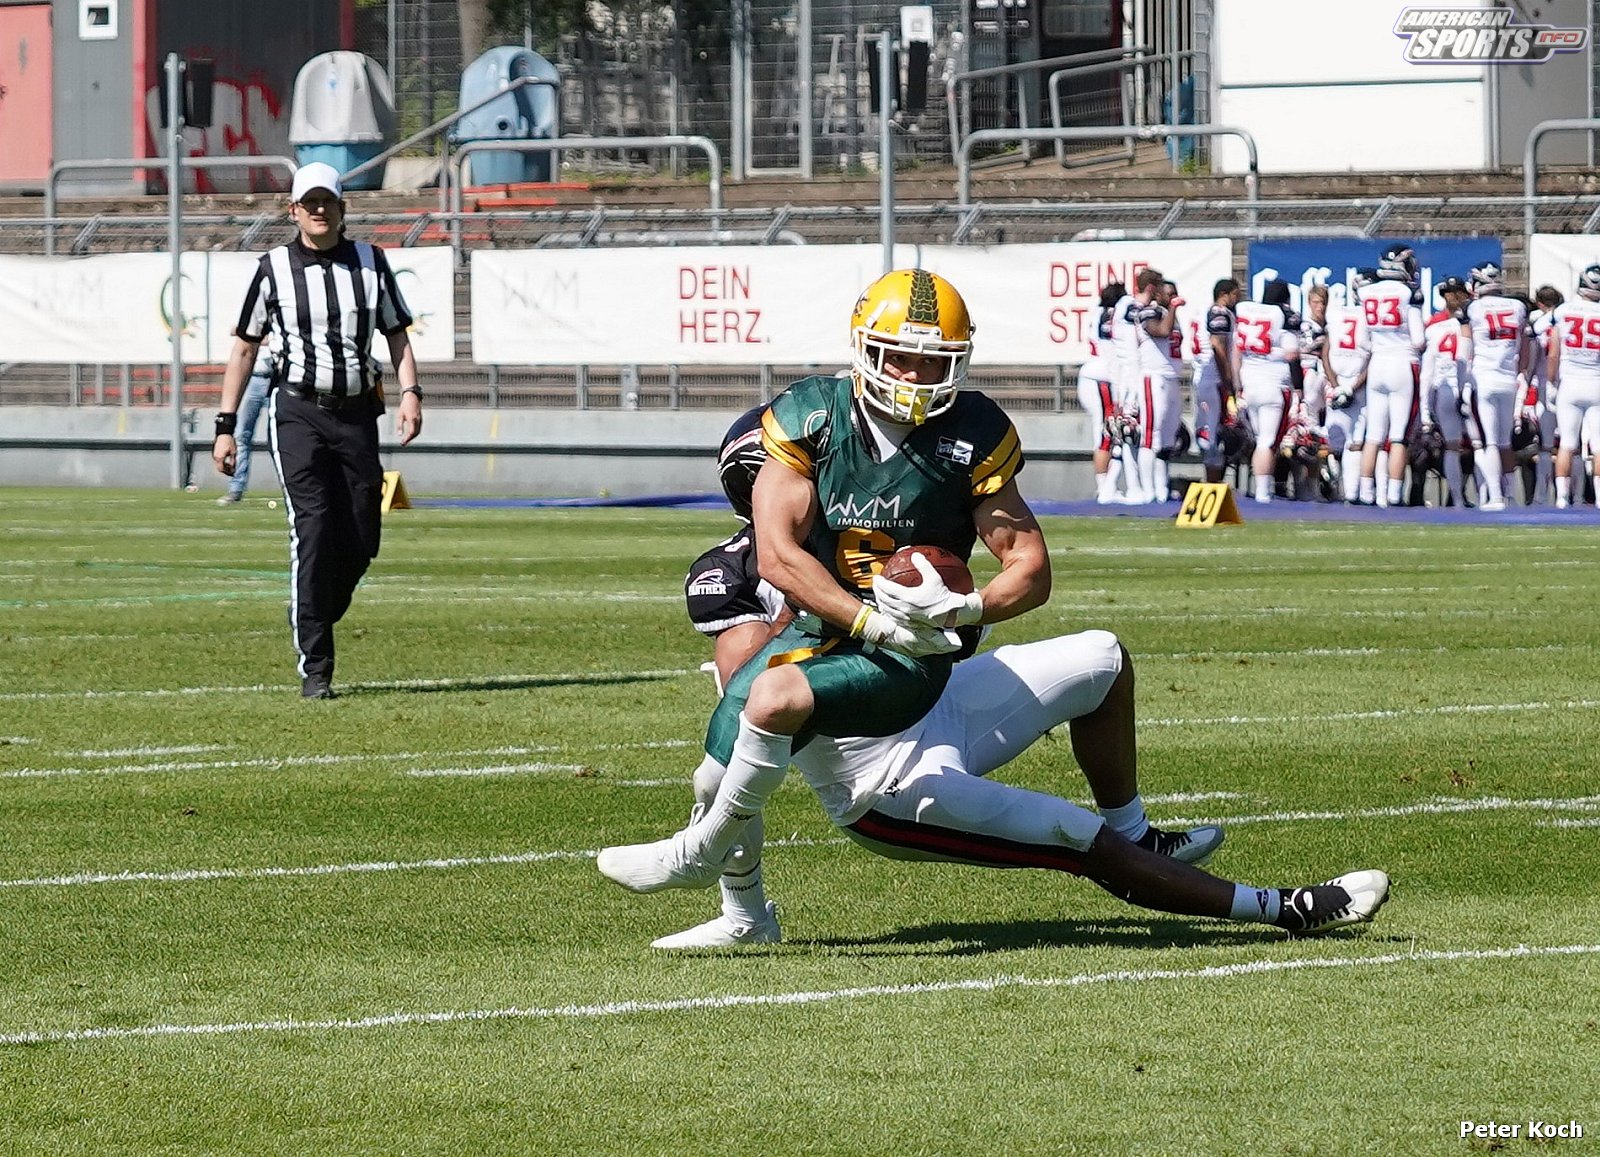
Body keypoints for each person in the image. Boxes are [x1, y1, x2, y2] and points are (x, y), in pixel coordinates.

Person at [598, 266, 1056, 911]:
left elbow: (1030, 566)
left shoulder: (975, 429)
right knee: (710, 777)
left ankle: (696, 854)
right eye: (900, 357)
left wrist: (968, 607)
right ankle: (745, 916)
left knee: (774, 697)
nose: (916, 376)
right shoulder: (810, 415)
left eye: (934, 361)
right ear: (866, 349)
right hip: (823, 626)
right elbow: (778, 557)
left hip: (915, 647)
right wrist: (868, 623)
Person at [613, 627, 1390, 945]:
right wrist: (742, 899)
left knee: (1103, 658)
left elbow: (1006, 586)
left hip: (935, 700)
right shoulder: (744, 578)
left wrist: (959, 606)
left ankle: (1139, 833)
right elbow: (731, 753)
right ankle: (1281, 908)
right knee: (1072, 833)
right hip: (883, 779)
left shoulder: (886, 499)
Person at [211, 161, 424, 699]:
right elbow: (244, 347)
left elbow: (397, 334)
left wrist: (411, 393)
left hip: (356, 413)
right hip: (298, 411)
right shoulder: (273, 269)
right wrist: (226, 425)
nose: (319, 210)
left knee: (362, 535)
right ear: (294, 211)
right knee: (312, 527)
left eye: (327, 201)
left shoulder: (371, 262)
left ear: (342, 208)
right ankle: (317, 668)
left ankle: (315, 606)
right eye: (310, 203)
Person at [1460, 261, 1529, 512]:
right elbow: (1525, 349)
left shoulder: (1472, 308)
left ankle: (1496, 496)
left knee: (1488, 441)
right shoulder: (1518, 306)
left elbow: (1464, 352)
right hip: (1508, 379)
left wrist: (1462, 385)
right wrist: (1521, 374)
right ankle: (1510, 496)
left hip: (1483, 379)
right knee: (1504, 442)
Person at [1234, 279, 1302, 503]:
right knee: (1267, 441)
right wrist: (1299, 387)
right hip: (1274, 385)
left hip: (1249, 383)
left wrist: (1237, 386)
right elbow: (1292, 355)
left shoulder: (1247, 312)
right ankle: (1263, 493)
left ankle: (1262, 489)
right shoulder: (1283, 316)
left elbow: (1236, 351)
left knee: (1260, 439)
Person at [1548, 265, 1600, 509]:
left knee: (1567, 444)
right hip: (1596, 382)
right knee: (1599, 446)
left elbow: (1553, 353)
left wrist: (1550, 382)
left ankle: (1561, 498)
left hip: (1570, 383)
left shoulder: (1563, 311)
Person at [1418, 275, 1472, 508]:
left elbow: (1426, 373)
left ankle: (1460, 498)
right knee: (1478, 445)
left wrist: (1426, 410)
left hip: (1446, 388)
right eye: (1448, 293)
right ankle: (1468, 498)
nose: (1451, 297)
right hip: (1462, 386)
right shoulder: (1468, 323)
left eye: (1454, 292)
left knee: (1456, 446)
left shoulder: (1435, 327)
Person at [1322, 271, 1373, 500]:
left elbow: (1325, 353)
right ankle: (1352, 494)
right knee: (1354, 442)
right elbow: (1374, 358)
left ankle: (1339, 490)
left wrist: (1336, 385)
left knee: (1336, 440)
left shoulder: (1336, 313)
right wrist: (1351, 387)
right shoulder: (1370, 317)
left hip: (1337, 380)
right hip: (1357, 383)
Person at [1076, 283, 1125, 503]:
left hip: (1097, 375)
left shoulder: (1098, 312)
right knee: (1106, 433)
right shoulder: (1109, 315)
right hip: (1101, 377)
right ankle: (1104, 488)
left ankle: (1106, 487)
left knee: (1110, 433)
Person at [215, 337, 278, 506]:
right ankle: (236, 488)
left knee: (281, 437)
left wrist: (260, 338)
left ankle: (291, 486)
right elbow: (240, 335)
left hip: (278, 378)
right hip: (254, 377)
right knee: (242, 435)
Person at [1190, 278, 1240, 483]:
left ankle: (1212, 480)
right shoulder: (1219, 312)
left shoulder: (1201, 312)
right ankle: (1212, 482)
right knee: (1217, 433)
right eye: (1235, 294)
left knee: (1209, 429)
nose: (1237, 299)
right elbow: (1217, 345)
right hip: (1214, 379)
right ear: (1224, 294)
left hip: (1201, 377)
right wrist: (1227, 378)